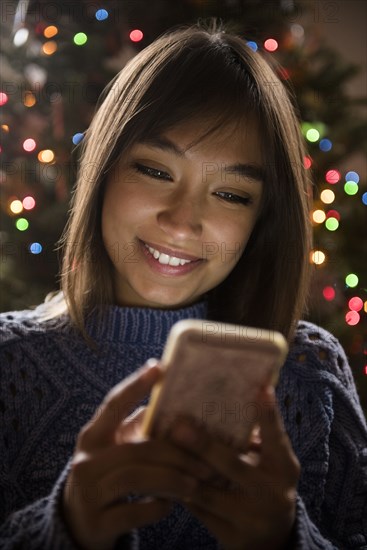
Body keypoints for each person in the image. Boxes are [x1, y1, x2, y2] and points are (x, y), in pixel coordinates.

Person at [0, 20, 366, 550]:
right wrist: (66, 526)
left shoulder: (314, 375)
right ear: (104, 171)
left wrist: (286, 539)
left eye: (232, 195)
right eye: (154, 170)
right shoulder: (9, 365)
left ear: (262, 220)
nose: (182, 221)